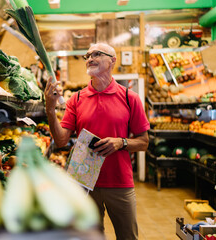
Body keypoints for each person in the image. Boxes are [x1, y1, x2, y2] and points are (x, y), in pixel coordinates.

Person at [44, 42, 150, 240]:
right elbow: (60, 140)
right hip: (84, 183)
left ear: (113, 61)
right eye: (87, 55)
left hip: (120, 183)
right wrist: (50, 109)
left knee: (128, 236)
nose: (90, 58)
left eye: (97, 54)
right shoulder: (76, 99)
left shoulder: (130, 98)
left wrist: (121, 143)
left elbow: (144, 142)